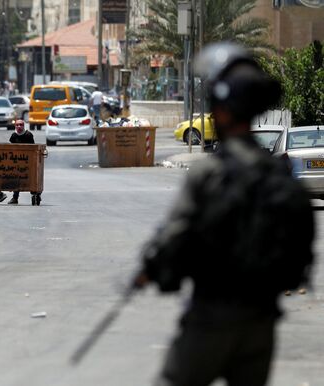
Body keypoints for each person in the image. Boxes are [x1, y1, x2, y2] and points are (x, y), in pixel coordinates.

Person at [135, 43, 314, 386]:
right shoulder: (279, 175)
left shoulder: (211, 173)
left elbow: (175, 237)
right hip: (262, 322)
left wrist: (150, 271)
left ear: (222, 111)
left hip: (211, 318)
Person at [8, 119, 36, 205]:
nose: (19, 127)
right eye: (17, 125)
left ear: (24, 126)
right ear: (15, 126)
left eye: (21, 125)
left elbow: (33, 148)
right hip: (17, 162)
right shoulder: (13, 135)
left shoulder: (28, 135)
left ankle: (34, 194)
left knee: (30, 178)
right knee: (17, 179)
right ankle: (15, 198)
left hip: (28, 161)